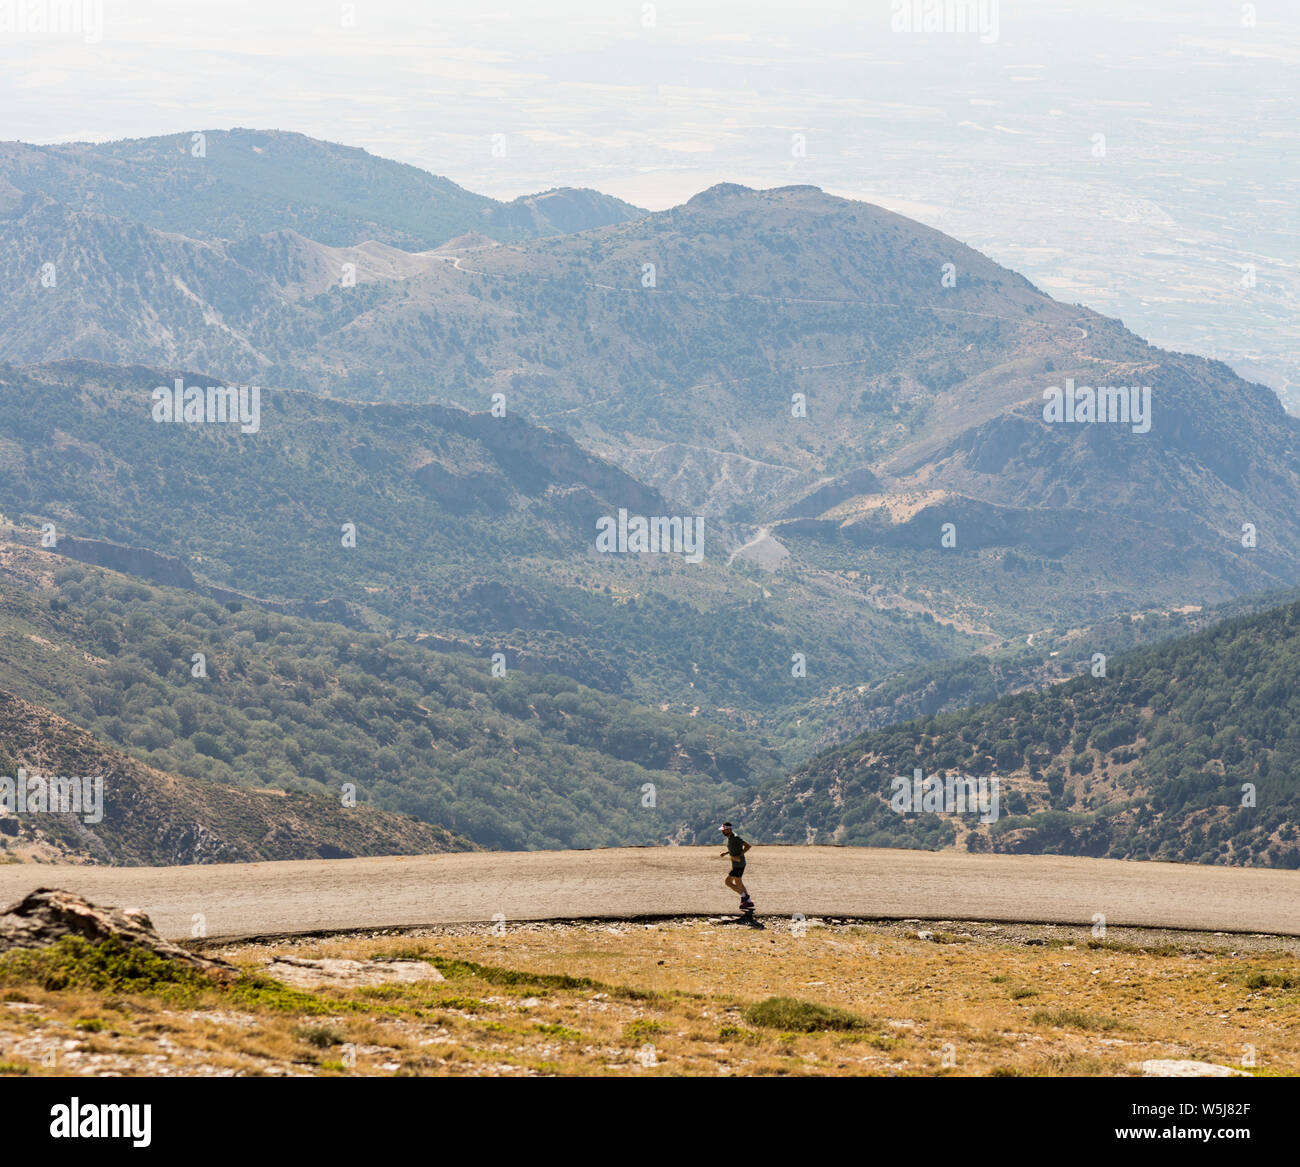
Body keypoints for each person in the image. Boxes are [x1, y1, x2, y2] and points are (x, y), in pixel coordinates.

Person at [719, 822, 753, 912]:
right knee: (739, 883)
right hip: (738, 864)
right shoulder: (730, 838)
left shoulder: (735, 837)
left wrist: (739, 856)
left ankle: (744, 898)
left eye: (724, 830)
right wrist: (726, 853)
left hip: (738, 864)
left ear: (729, 829)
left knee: (728, 882)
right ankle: (748, 901)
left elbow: (748, 846)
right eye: (722, 830)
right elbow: (734, 848)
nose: (722, 832)